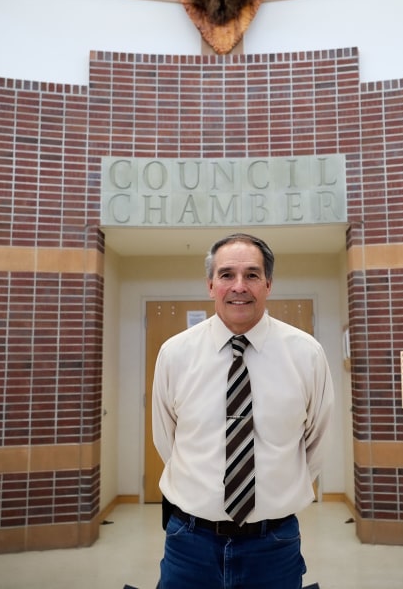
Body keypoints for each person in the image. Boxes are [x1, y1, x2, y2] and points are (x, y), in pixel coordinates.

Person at [152, 232, 334, 589]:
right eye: (226, 275)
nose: (239, 286)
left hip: (274, 544)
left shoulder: (306, 355)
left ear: (268, 283)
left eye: (251, 275)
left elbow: (317, 443)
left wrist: (274, 492)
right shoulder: (175, 354)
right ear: (210, 285)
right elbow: (167, 441)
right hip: (189, 542)